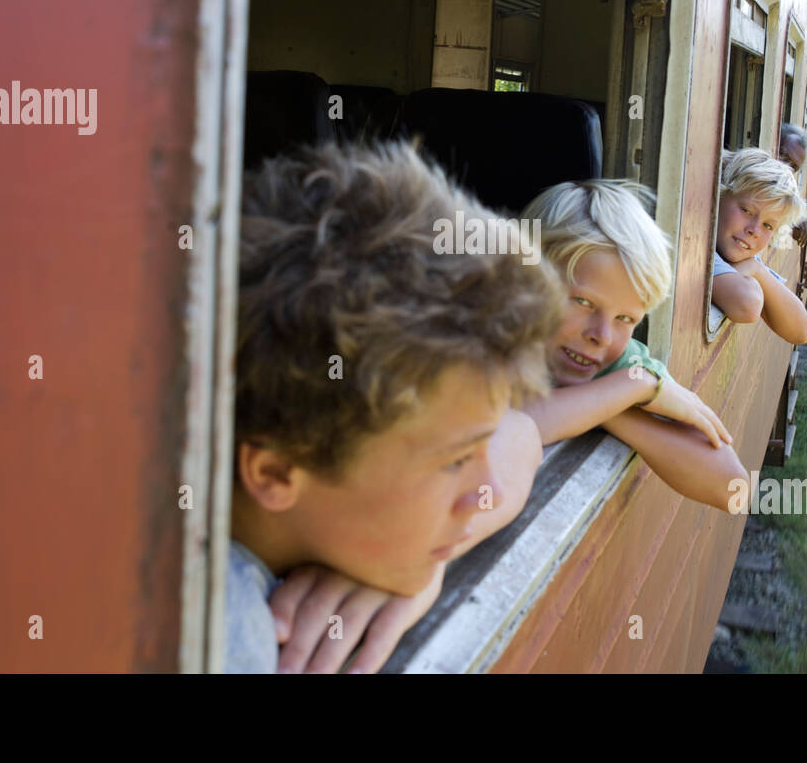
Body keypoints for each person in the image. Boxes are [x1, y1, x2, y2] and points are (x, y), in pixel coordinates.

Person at [227, 141, 565, 673]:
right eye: (455, 461)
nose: (488, 492)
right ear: (276, 470)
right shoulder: (229, 636)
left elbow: (518, 431)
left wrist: (414, 567)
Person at [517, 180, 747, 510]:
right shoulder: (484, 340)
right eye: (582, 301)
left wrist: (615, 403)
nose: (603, 335)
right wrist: (626, 389)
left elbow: (731, 488)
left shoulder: (615, 363)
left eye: (626, 319)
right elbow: (513, 425)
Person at [711, 147, 807, 345]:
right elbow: (747, 304)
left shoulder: (741, 250)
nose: (754, 229)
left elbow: (802, 331)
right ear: (720, 195)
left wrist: (755, 268)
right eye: (746, 210)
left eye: (768, 225)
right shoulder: (701, 241)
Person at [778, 122, 807, 247]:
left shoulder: (781, 184)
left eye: (793, 166)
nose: (786, 167)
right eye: (783, 156)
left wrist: (798, 219)